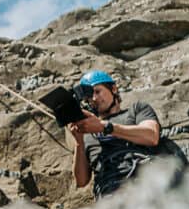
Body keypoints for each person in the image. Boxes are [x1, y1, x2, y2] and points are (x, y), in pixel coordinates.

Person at [68, 70, 161, 198]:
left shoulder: (136, 110)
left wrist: (105, 127)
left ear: (114, 89)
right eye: (89, 96)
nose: (94, 99)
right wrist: (79, 142)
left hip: (144, 178)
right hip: (110, 190)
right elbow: (81, 181)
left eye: (97, 91)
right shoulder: (86, 132)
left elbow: (151, 136)